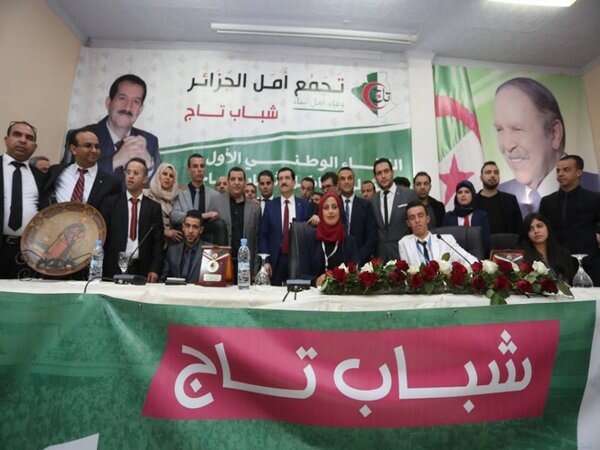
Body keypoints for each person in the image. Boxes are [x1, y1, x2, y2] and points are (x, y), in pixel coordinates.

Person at [494, 77, 599, 216]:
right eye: (499, 129)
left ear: (554, 133)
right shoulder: (502, 194)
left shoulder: (595, 188)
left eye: (517, 129)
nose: (507, 146)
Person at [63, 74, 160, 180]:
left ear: (140, 110)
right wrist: (115, 160)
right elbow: (70, 181)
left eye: (136, 101)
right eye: (122, 98)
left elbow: (162, 185)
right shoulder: (80, 137)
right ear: (108, 103)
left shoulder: (150, 142)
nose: (128, 107)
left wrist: (149, 166)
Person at [539, 155, 600, 285]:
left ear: (579, 172)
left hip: (589, 262)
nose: (560, 174)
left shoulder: (594, 199)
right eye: (558, 170)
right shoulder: (547, 201)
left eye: (566, 170)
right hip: (557, 263)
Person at [100, 158, 164, 282]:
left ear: (145, 179)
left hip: (143, 268)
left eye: (136, 173)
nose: (130, 176)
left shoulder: (153, 207)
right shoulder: (111, 203)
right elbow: (103, 237)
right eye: (128, 172)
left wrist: (155, 269)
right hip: (113, 267)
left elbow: (158, 243)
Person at [0, 121, 49, 278]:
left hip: (28, 253)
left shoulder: (42, 177)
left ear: (34, 146)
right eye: (17, 135)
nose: (23, 140)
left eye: (29, 138)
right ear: (6, 140)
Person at [259, 167, 313, 285]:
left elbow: (310, 237)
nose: (284, 181)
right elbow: (263, 236)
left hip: (298, 261)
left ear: (294, 182)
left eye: (287, 178)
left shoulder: (305, 205)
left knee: (298, 293)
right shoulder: (270, 206)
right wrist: (266, 261)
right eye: (281, 179)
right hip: (275, 261)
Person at [46, 126, 121, 210]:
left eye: (97, 147)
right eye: (88, 146)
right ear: (73, 149)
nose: (94, 150)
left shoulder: (111, 183)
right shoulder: (55, 172)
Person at [299, 192, 359, 286]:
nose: (330, 211)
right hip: (314, 293)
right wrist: (315, 281)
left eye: (334, 207)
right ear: (321, 212)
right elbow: (301, 274)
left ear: (340, 211)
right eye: (326, 208)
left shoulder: (349, 241)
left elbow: (355, 273)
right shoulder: (309, 239)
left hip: (341, 292)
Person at [212, 167, 261, 276]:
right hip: (221, 263)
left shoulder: (255, 207)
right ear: (228, 182)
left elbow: (257, 240)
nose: (237, 182)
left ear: (245, 182)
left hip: (246, 265)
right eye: (233, 179)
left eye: (240, 179)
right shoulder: (216, 202)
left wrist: (255, 269)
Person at [399, 201, 477, 266]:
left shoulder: (446, 240)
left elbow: (467, 259)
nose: (417, 220)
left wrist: (478, 269)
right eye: (412, 218)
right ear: (408, 223)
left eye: (420, 216)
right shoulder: (404, 243)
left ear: (427, 219)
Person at [371, 157, 417, 261]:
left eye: (386, 171)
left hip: (405, 255)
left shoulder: (409, 195)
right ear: (375, 177)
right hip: (381, 257)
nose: (383, 176)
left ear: (392, 172)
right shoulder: (372, 201)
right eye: (379, 173)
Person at [519, 213, 577, 284]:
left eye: (539, 226)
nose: (536, 231)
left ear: (547, 227)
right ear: (527, 234)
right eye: (530, 229)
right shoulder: (523, 257)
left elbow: (570, 281)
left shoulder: (563, 254)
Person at [337, 166, 377, 265]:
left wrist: (359, 258)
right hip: (336, 261)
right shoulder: (333, 204)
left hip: (361, 261)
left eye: (350, 178)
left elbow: (371, 236)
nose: (346, 181)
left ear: (354, 181)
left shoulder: (366, 205)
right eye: (343, 179)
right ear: (338, 183)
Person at [443, 180, 491, 255]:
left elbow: (486, 243)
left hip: (479, 258)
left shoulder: (482, 216)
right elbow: (445, 244)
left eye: (467, 192)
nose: (463, 195)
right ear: (456, 196)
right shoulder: (448, 217)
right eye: (460, 192)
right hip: (454, 258)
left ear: (472, 195)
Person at [171, 153, 219, 225]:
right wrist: (202, 216)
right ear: (189, 170)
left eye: (202, 166)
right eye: (195, 166)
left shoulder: (214, 195)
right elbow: (174, 216)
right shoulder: (180, 193)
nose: (199, 169)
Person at [475, 161, 522, 234]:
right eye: (488, 172)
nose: (492, 175)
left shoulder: (510, 200)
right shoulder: (473, 201)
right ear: (481, 178)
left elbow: (519, 228)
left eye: (496, 172)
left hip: (507, 241)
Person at [162, 210, 209, 283]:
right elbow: (163, 279)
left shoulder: (209, 251)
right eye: (187, 226)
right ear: (183, 227)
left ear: (201, 230)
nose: (190, 231)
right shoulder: (172, 251)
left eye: (195, 227)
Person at [143, 162, 182, 244]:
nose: (167, 177)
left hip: (169, 245)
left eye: (171, 176)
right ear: (158, 176)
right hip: (149, 242)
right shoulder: (145, 195)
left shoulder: (177, 198)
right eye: (164, 174)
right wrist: (165, 232)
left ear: (174, 181)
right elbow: (142, 221)